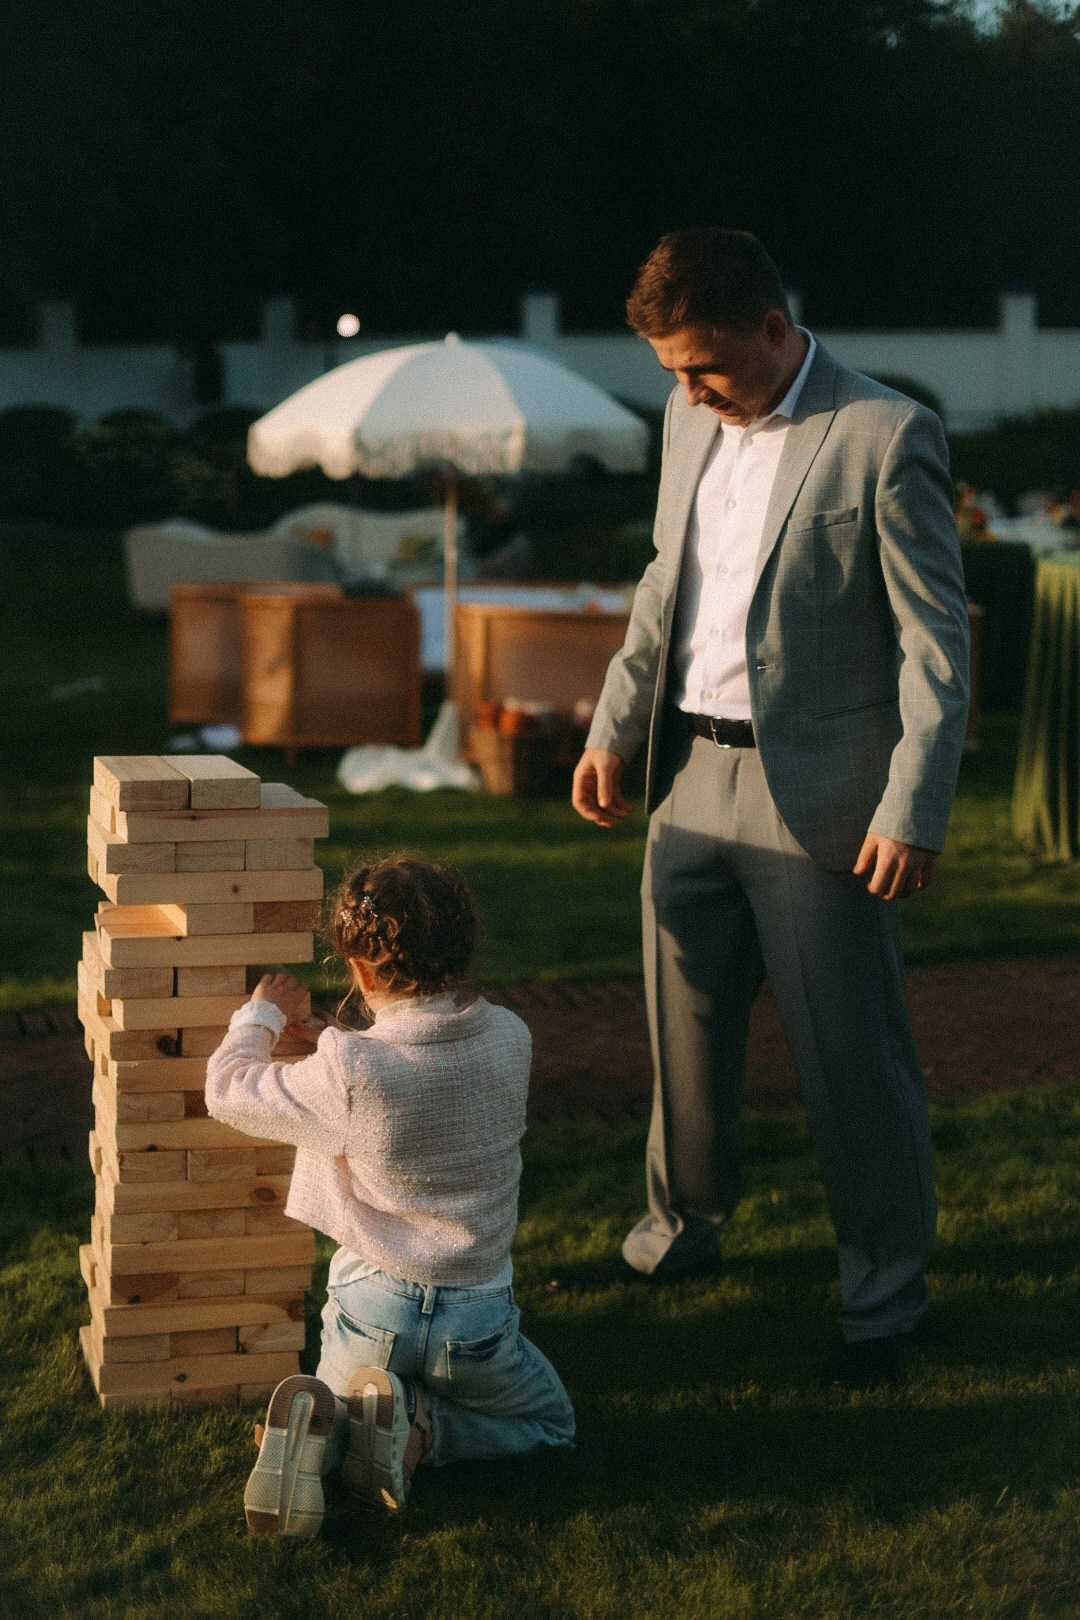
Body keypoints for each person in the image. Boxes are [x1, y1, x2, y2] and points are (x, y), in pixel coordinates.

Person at [569, 229, 970, 1390]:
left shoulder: (888, 436)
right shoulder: (690, 419)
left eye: (703, 368)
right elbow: (663, 583)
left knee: (853, 1063)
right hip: (684, 783)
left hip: (826, 804)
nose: (687, 394)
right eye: (670, 377)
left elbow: (935, 649)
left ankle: (885, 1303)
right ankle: (676, 1234)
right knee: (681, 1041)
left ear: (771, 325)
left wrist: (913, 804)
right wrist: (611, 727)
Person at [205, 856, 575, 1538]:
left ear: (363, 971)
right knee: (547, 1426)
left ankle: (329, 1437)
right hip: (474, 1323)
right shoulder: (511, 1037)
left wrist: (261, 1014)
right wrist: (335, 1046)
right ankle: (423, 1436)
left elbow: (228, 1087)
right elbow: (432, 1076)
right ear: (461, 952)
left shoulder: (349, 1069)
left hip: (369, 1314)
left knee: (364, 1391)